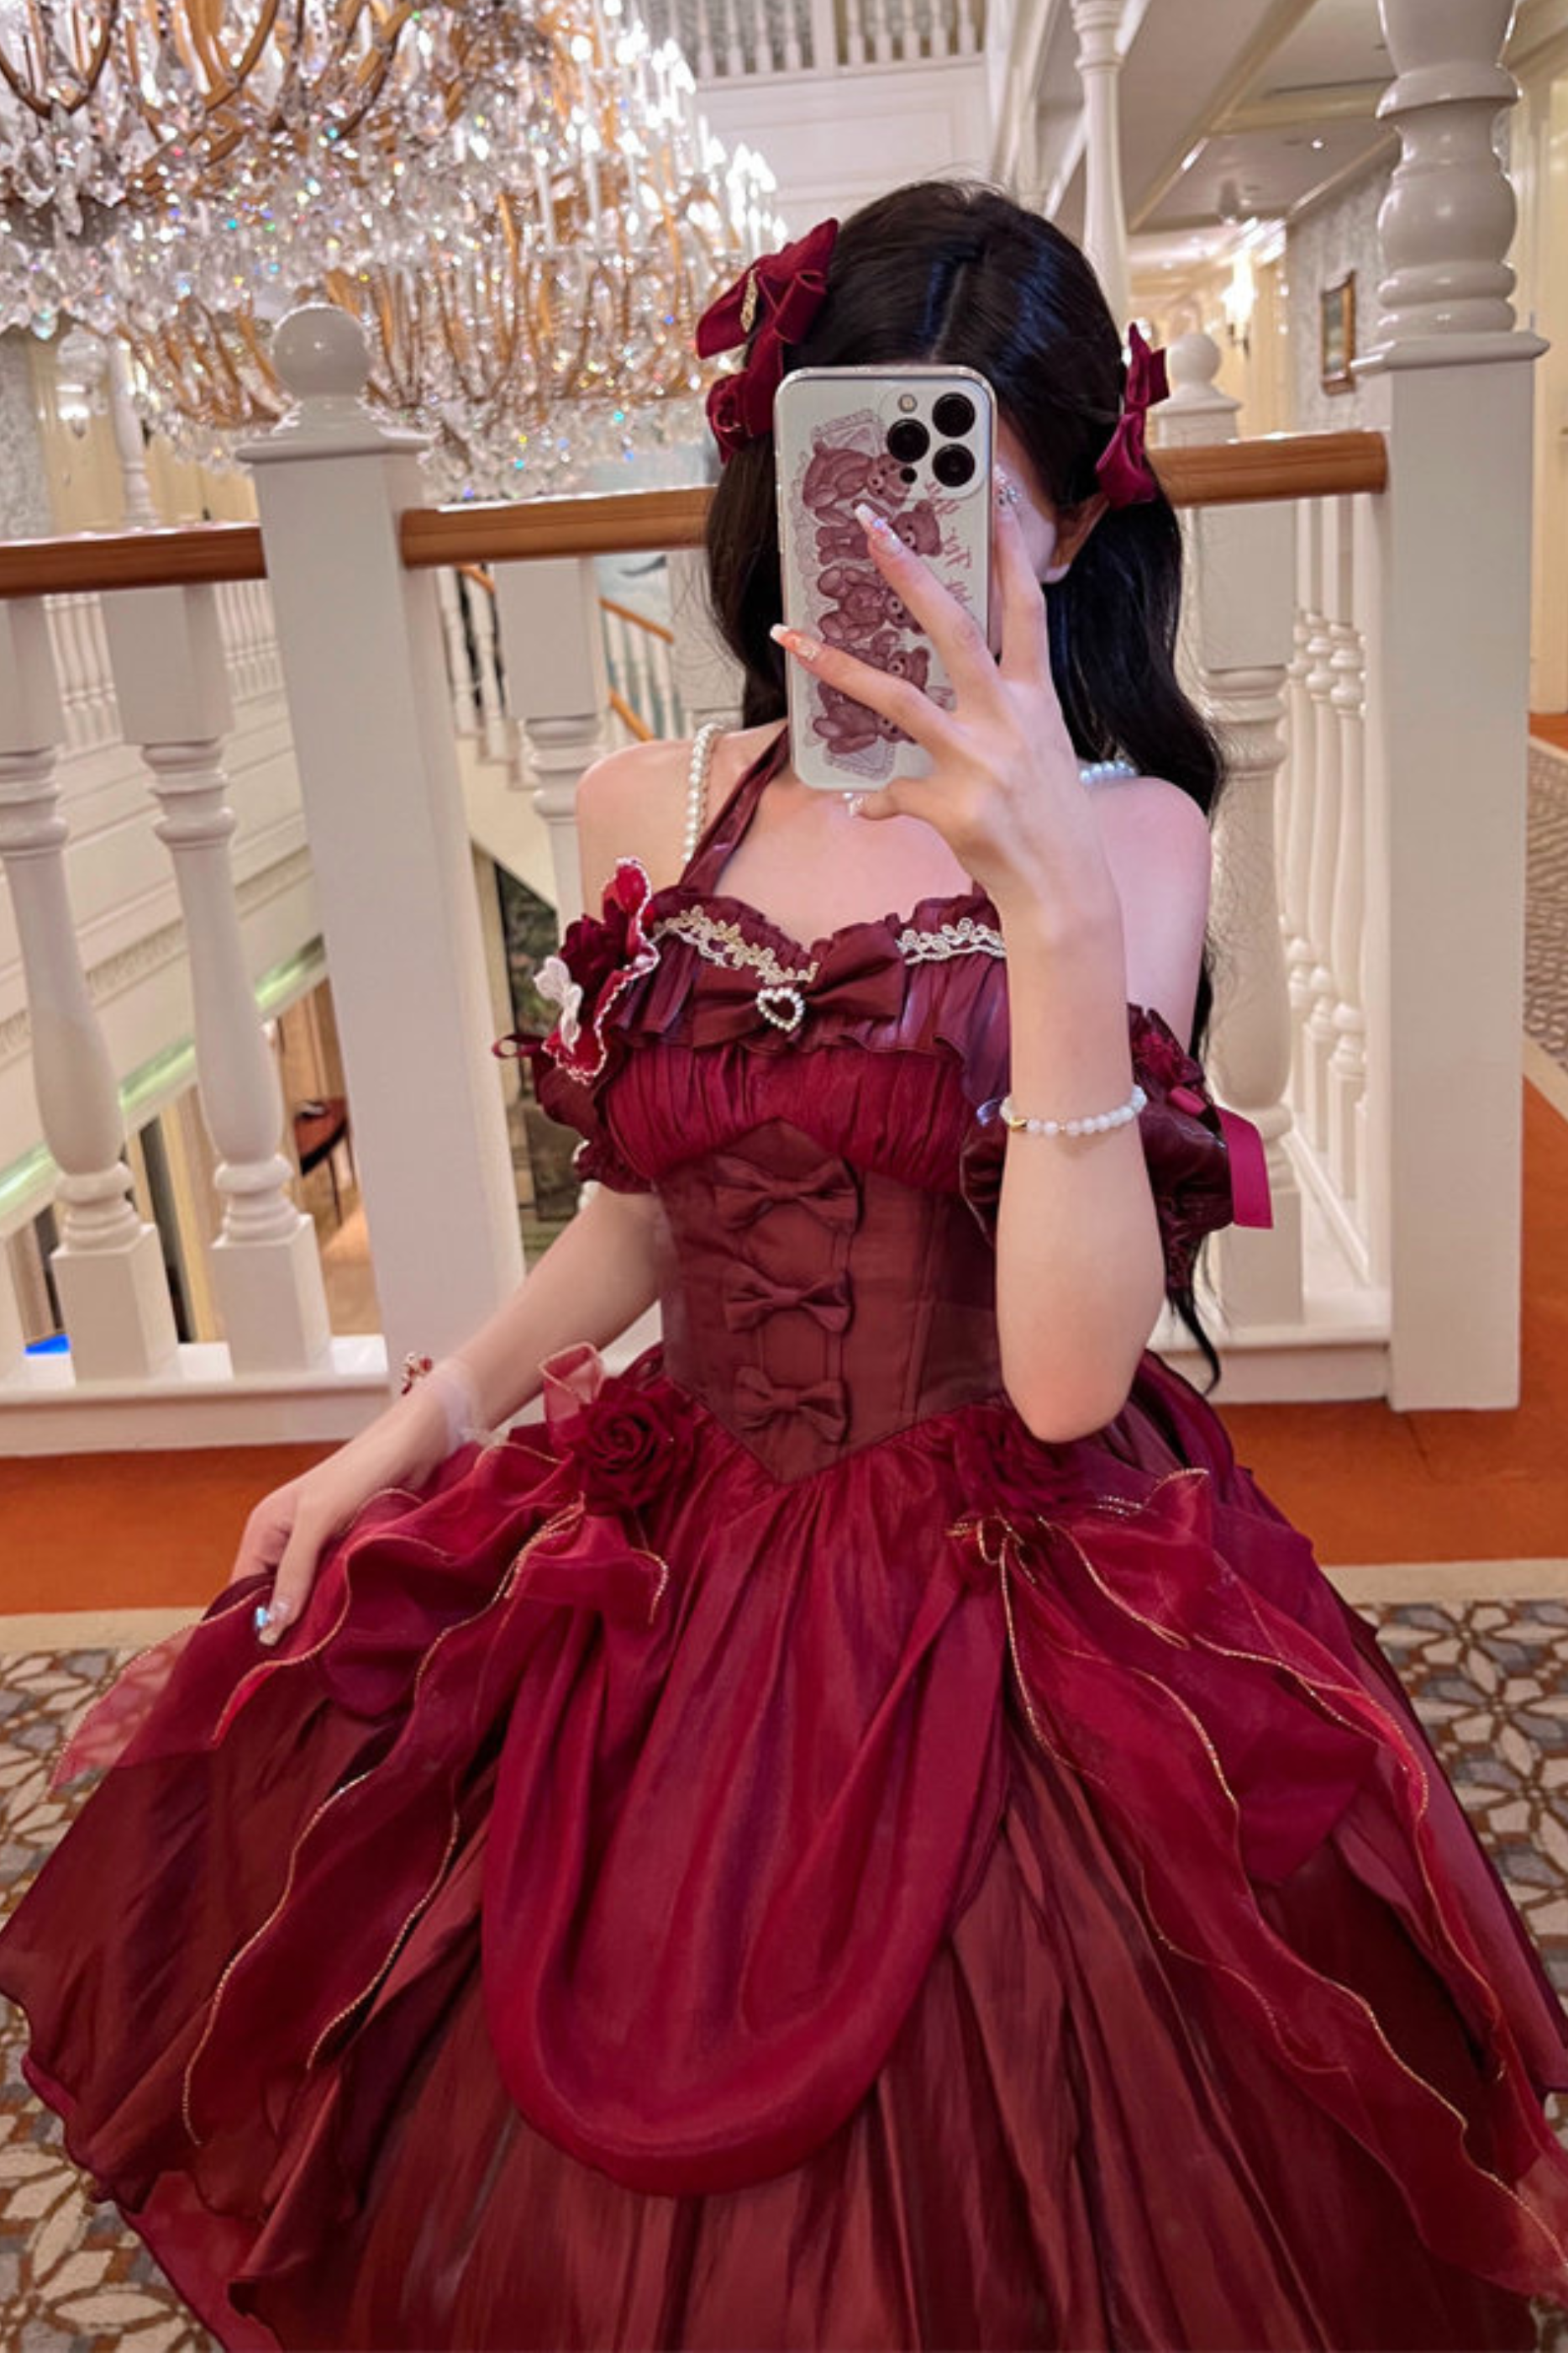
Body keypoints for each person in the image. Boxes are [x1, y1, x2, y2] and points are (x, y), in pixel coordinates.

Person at [3, 179, 1568, 2353]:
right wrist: (399, 1443)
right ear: (782, 489)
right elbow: (640, 1222)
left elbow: (1063, 1381)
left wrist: (1048, 904)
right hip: (676, 1529)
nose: (905, 560)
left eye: (967, 506)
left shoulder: (1132, 841)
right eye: (861, 491)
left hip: (1008, 1565)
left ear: (1073, 531)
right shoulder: (649, 807)